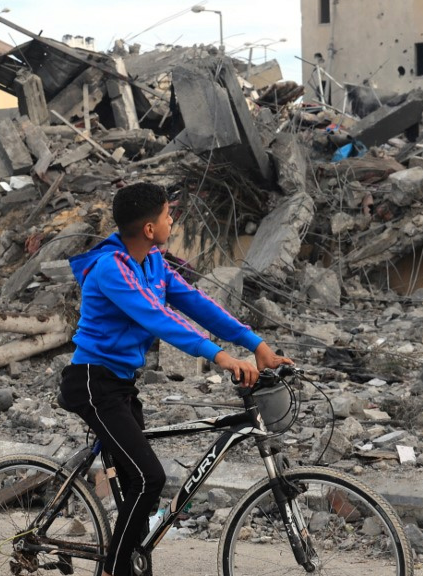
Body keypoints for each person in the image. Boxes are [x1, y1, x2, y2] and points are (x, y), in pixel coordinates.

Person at [59, 182, 291, 576]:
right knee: (150, 478)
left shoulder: (153, 263)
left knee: (138, 486)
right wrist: (220, 356)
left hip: (120, 385)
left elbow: (196, 303)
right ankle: (117, 570)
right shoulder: (110, 268)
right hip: (92, 385)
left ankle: (129, 562)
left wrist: (256, 344)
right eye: (168, 215)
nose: (172, 220)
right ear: (149, 228)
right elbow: (158, 319)